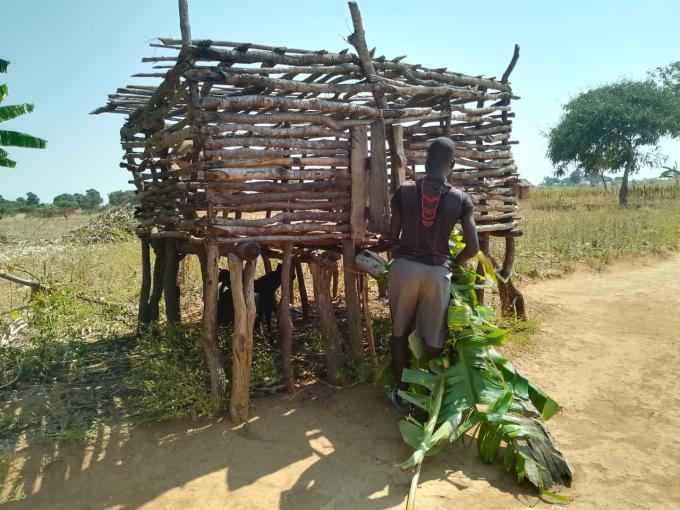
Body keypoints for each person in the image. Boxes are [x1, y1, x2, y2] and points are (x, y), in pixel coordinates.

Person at [386, 137, 479, 409]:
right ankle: (429, 395)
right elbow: (472, 247)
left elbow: (393, 238)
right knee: (434, 339)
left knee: (399, 333)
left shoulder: (404, 191)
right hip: (437, 272)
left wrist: (401, 252)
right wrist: (453, 262)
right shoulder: (461, 199)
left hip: (404, 267)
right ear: (453, 164)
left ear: (426, 160)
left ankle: (401, 395)